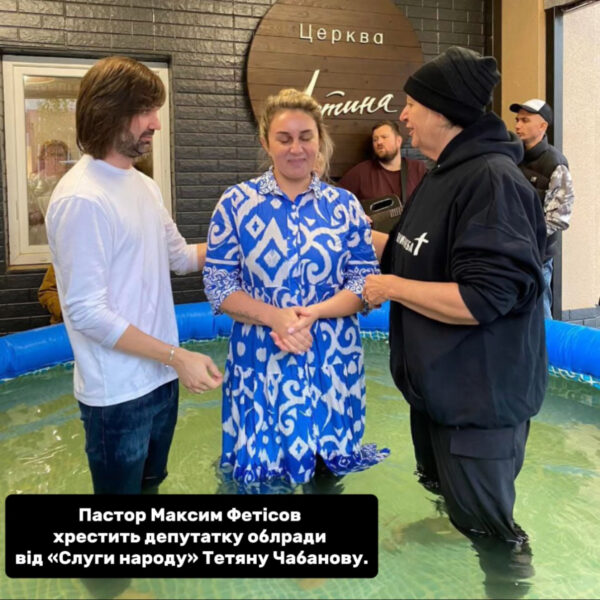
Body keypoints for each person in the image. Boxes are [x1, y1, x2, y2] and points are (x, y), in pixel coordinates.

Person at [362, 47, 547, 591]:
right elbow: (412, 253)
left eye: (412, 104)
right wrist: (341, 231)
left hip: (479, 404)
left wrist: (390, 288)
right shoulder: (442, 174)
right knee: (453, 504)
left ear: (444, 112)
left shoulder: (492, 181)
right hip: (441, 395)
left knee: (495, 536)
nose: (403, 116)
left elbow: (484, 298)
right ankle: (450, 528)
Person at [46, 56, 223, 496]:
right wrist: (176, 356)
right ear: (110, 111)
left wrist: (247, 243)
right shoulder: (82, 198)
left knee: (149, 491)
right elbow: (86, 312)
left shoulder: (143, 185)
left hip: (161, 381)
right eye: (146, 110)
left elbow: (179, 257)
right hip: (117, 395)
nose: (156, 124)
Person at [203, 88, 389, 489]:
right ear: (265, 142)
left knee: (328, 480)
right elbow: (218, 284)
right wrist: (276, 318)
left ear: (319, 139)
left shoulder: (345, 206)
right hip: (261, 361)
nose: (296, 148)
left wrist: (314, 313)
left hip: (332, 362)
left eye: (306, 137)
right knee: (261, 483)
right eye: (284, 138)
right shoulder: (236, 203)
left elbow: (365, 282)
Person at [510, 98, 575, 319]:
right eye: (517, 120)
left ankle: (547, 344)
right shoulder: (512, 156)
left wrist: (527, 236)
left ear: (543, 126)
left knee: (540, 313)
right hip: (509, 251)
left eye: (525, 120)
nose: (518, 125)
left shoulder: (555, 163)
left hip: (537, 256)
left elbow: (559, 216)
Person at [338, 119, 427, 208]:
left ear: (398, 141)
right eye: (375, 139)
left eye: (384, 137)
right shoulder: (361, 172)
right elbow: (337, 200)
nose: (379, 142)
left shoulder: (418, 168)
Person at [27, 139, 71, 245]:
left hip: (65, 237)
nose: (56, 158)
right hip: (39, 240)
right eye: (51, 154)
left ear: (66, 158)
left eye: (60, 155)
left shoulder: (72, 181)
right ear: (44, 158)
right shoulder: (33, 182)